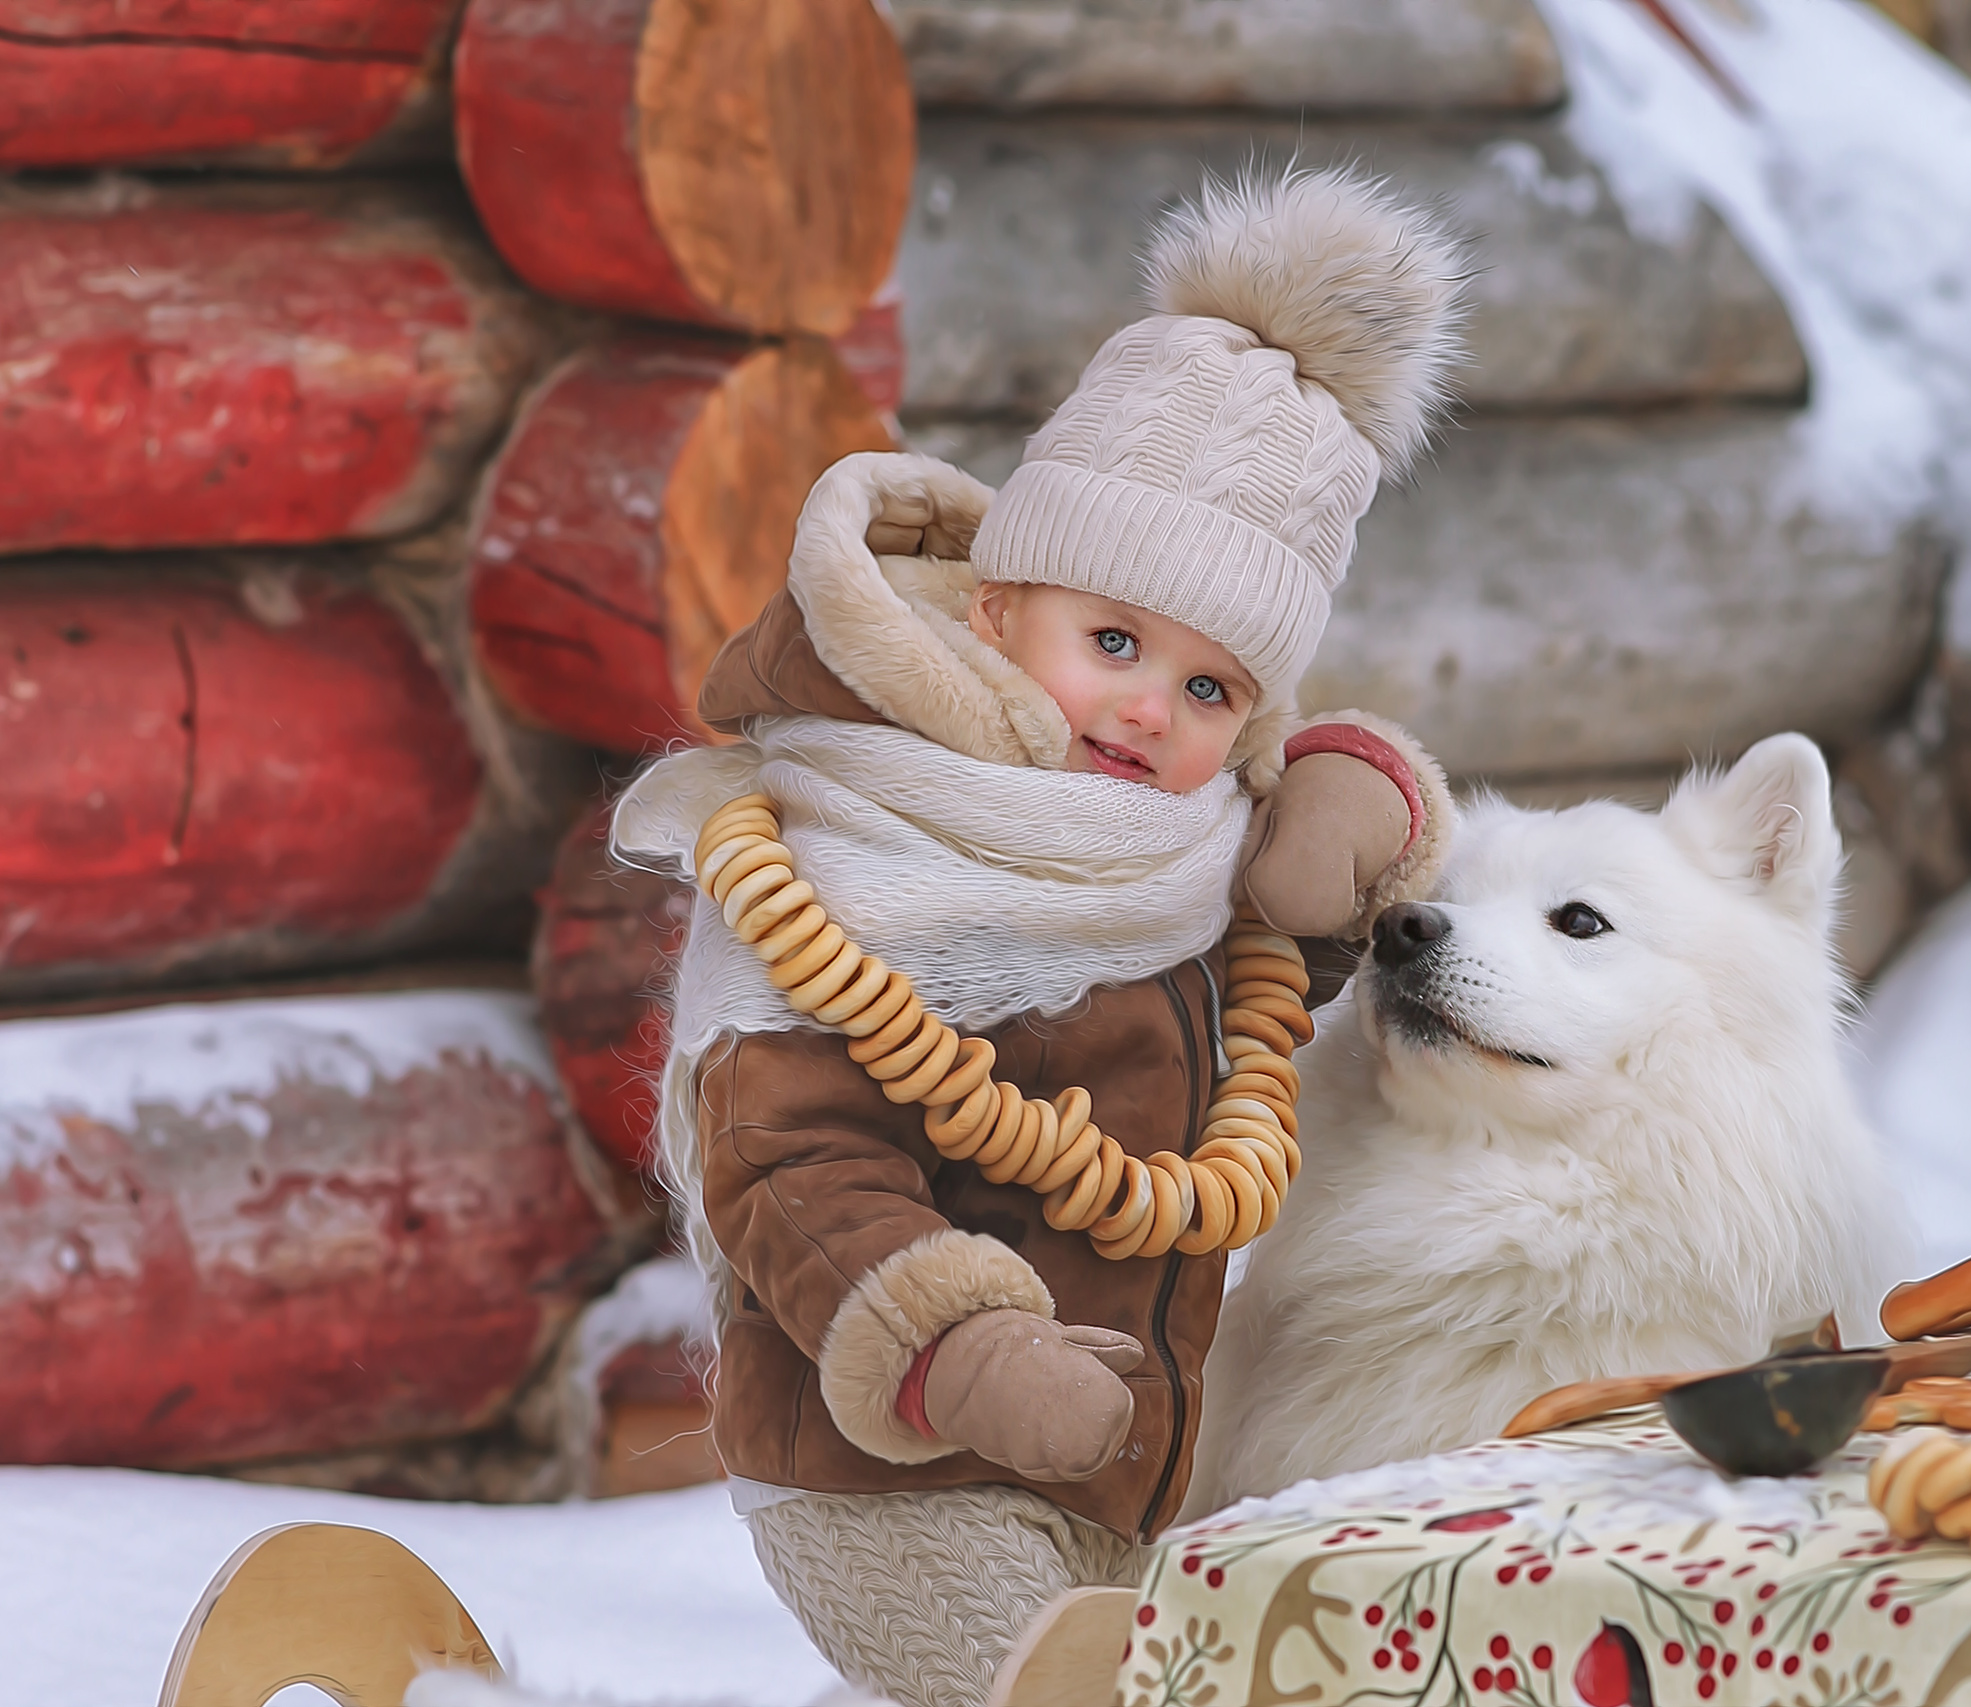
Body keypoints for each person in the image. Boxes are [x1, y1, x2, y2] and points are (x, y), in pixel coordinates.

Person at [611, 165, 1468, 1707]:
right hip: (893, 1462)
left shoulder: (1186, 858)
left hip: (1125, 1464)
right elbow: (787, 1161)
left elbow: (1277, 990)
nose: (1151, 707)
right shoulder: (876, 837)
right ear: (1000, 612)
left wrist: (1355, 802)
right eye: (1117, 643)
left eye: (1213, 689)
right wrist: (967, 1354)